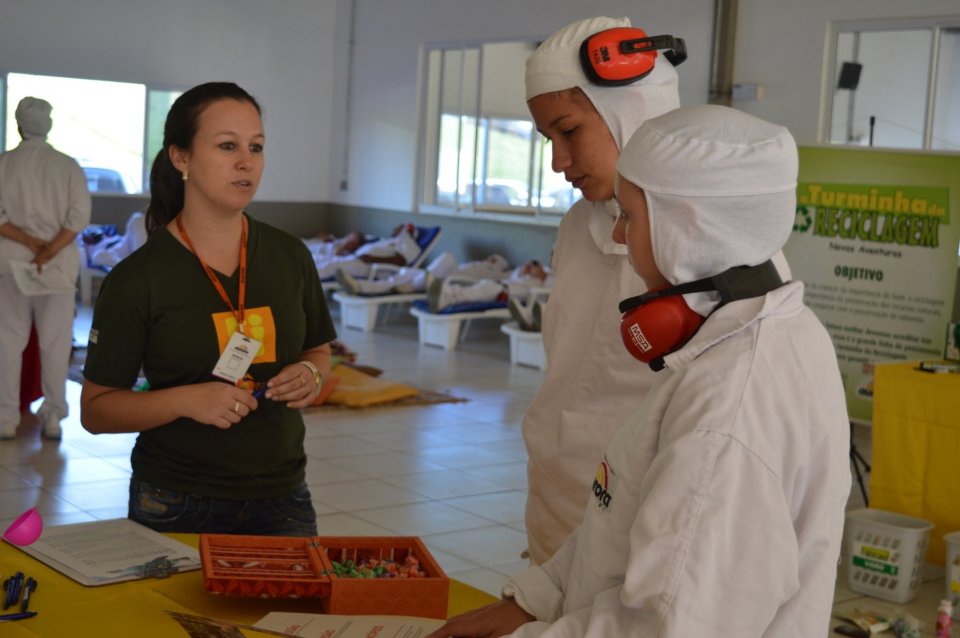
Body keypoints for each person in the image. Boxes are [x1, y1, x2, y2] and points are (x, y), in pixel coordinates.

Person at [428, 105, 851, 638]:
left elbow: (667, 627)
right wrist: (531, 602)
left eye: (629, 215)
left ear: (686, 223)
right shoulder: (752, 332)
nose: (622, 237)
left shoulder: (730, 410)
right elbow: (620, 522)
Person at [80, 82, 336, 537]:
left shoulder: (289, 255)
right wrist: (185, 400)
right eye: (226, 146)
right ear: (181, 158)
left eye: (256, 147)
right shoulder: (139, 278)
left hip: (284, 499)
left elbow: (318, 349)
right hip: (176, 501)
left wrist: (312, 375)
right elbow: (97, 411)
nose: (246, 161)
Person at [519, 16, 684, 564]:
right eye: (548, 138)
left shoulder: (703, 245)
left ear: (631, 115)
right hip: (556, 501)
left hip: (640, 526)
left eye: (569, 132)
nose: (558, 162)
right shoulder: (577, 224)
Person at [0, 97, 92, 441]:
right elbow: (78, 218)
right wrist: (48, 249)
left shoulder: (4, 164)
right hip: (58, 264)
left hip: (10, 262)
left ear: (18, 124)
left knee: (8, 340)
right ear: (48, 125)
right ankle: (53, 416)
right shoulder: (67, 166)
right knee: (55, 343)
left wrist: (29, 244)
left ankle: (6, 418)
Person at [334, 251, 510, 296]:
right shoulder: (477, 264)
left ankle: (417, 283)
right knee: (403, 274)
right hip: (436, 275)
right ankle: (361, 286)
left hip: (448, 281)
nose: (489, 260)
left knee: (447, 256)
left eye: (493, 260)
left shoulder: (498, 275)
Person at [426, 260, 552, 313]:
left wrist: (543, 276)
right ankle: (446, 293)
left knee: (490, 287)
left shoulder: (554, 276)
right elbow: (511, 276)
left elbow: (549, 293)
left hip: (519, 295)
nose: (552, 256)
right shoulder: (541, 268)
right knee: (485, 285)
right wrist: (521, 272)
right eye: (552, 253)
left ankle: (447, 297)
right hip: (504, 285)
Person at [313, 222, 423, 279]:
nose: (394, 229)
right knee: (323, 261)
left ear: (405, 231)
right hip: (359, 258)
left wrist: (371, 259)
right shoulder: (391, 241)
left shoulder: (408, 243)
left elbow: (400, 261)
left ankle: (302, 282)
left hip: (370, 266)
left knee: (331, 266)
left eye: (399, 228)